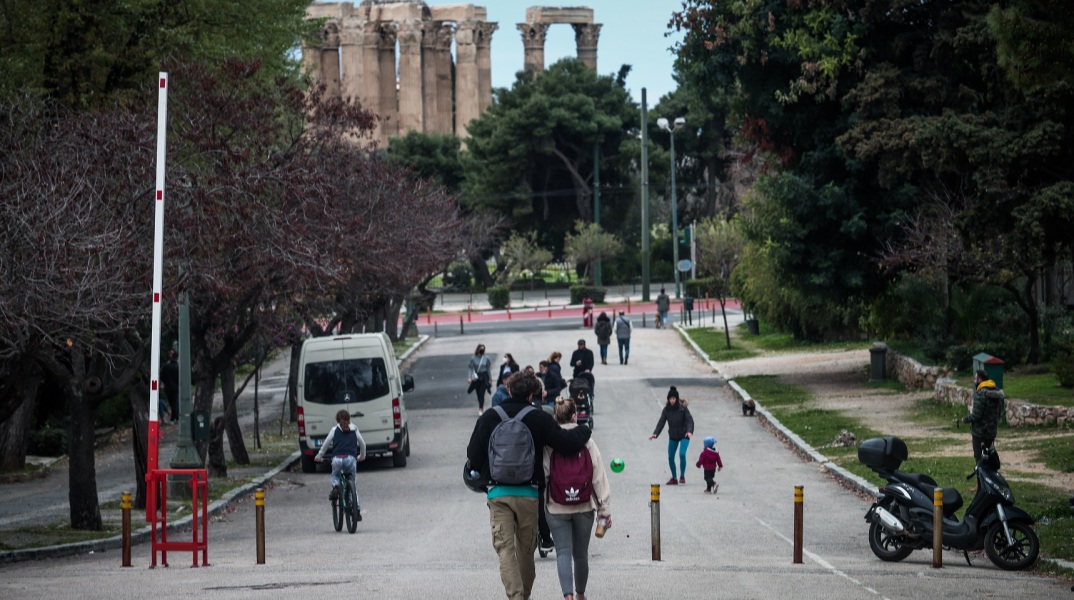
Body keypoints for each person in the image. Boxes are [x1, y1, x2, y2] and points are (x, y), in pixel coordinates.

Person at [466, 373, 592, 600]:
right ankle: (524, 594)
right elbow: (566, 444)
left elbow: (473, 455)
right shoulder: (539, 418)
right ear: (532, 394)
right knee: (526, 550)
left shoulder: (489, 418)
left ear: (509, 390)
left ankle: (516, 597)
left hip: (498, 493)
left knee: (505, 549)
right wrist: (584, 429)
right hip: (529, 493)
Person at [543, 397, 612, 600]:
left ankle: (568, 597)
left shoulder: (550, 443)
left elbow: (545, 473)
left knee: (563, 552)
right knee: (580, 554)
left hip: (556, 507)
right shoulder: (588, 442)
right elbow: (598, 476)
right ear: (575, 415)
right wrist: (604, 509)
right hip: (583, 506)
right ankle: (581, 595)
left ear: (556, 417)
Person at [314, 409, 367, 520]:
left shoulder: (334, 430)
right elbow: (362, 444)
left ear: (337, 420)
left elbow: (325, 444)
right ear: (349, 419)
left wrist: (319, 456)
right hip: (351, 459)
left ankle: (335, 488)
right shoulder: (355, 429)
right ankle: (356, 509)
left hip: (337, 459)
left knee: (335, 475)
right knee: (352, 482)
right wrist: (362, 456)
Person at [648, 386, 694, 485]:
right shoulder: (666, 410)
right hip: (673, 436)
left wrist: (690, 431)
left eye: (674, 398)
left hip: (684, 434)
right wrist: (655, 433)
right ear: (668, 399)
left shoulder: (683, 408)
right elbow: (661, 422)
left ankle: (682, 476)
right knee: (670, 457)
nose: (672, 400)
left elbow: (690, 420)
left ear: (676, 399)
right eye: (670, 399)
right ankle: (674, 478)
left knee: (682, 454)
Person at [962, 369, 1005, 463]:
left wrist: (965, 419)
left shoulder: (981, 393)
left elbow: (976, 416)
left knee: (979, 459)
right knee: (989, 457)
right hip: (991, 431)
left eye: (975, 378)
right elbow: (999, 412)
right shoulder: (997, 392)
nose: (974, 381)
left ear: (980, 380)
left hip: (979, 432)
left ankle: (981, 477)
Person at [467, 344, 492, 415]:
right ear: (477, 349)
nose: (482, 350)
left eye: (483, 349)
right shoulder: (473, 358)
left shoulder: (486, 358)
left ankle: (481, 408)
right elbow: (470, 368)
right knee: (478, 393)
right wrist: (469, 377)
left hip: (484, 376)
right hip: (476, 377)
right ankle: (480, 405)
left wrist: (490, 378)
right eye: (481, 349)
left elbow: (488, 369)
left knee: (482, 392)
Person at [160, 349, 179, 423]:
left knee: (171, 402)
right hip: (175, 387)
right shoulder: (177, 367)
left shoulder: (166, 366)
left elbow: (162, 377)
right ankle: (175, 417)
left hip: (168, 387)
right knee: (175, 402)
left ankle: (174, 417)